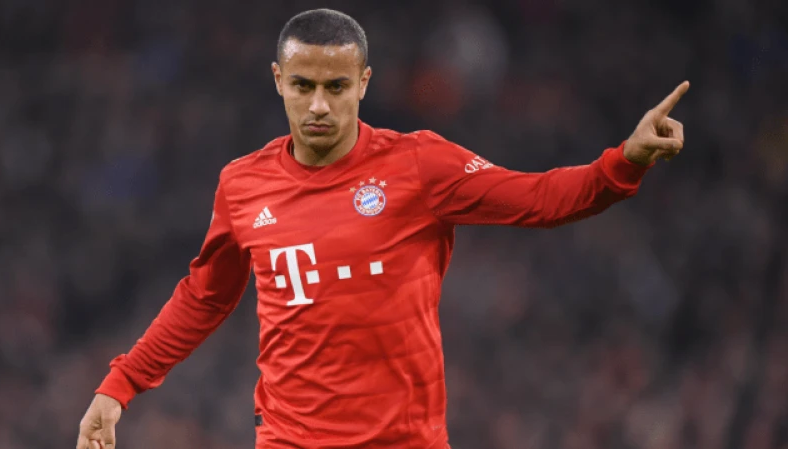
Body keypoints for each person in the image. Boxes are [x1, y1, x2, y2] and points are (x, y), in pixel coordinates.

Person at [76, 8, 688, 449]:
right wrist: (119, 384)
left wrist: (624, 161)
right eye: (303, 86)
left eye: (336, 87)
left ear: (364, 84)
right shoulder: (242, 184)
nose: (319, 105)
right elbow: (204, 298)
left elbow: (541, 199)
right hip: (289, 440)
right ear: (278, 80)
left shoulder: (419, 164)